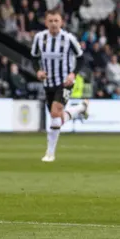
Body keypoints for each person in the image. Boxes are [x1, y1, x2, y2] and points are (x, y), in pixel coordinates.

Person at [31, 8, 89, 162]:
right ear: (46, 22)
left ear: (61, 22)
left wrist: (73, 74)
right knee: (56, 118)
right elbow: (34, 58)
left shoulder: (69, 39)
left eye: (56, 20)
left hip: (65, 82)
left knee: (55, 113)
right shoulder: (39, 38)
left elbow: (81, 58)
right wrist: (38, 71)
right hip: (48, 83)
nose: (53, 24)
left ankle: (50, 153)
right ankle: (80, 108)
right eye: (50, 21)